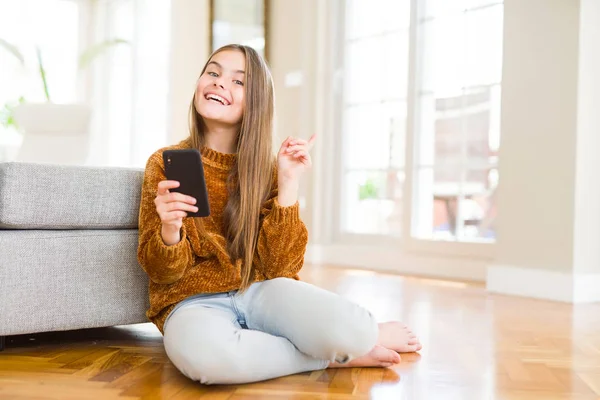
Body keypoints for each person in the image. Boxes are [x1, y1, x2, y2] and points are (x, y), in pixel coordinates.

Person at [137, 44, 421, 385]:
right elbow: (161, 274)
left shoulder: (268, 171)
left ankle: (346, 346)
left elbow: (280, 269)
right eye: (213, 72)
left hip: (261, 291)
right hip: (191, 303)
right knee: (211, 362)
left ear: (256, 102)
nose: (219, 82)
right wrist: (170, 229)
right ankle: (328, 359)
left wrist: (288, 183)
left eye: (238, 81)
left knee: (358, 331)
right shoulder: (163, 163)